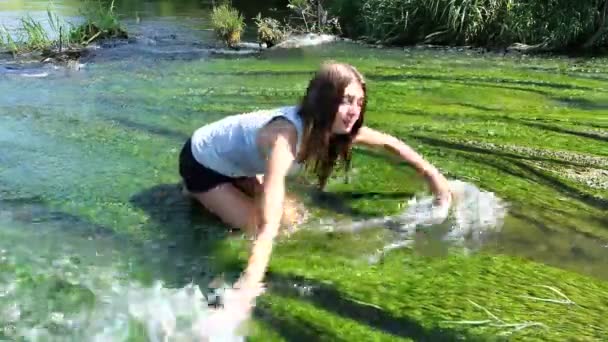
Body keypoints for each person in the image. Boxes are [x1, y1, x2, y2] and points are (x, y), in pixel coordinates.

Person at [178, 61, 452, 312]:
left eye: (359, 102)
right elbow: (268, 223)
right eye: (346, 101)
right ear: (324, 101)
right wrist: (249, 283)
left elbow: (388, 143)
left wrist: (434, 178)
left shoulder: (332, 128)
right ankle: (196, 192)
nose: (354, 111)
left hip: (240, 165)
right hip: (202, 163)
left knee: (294, 217)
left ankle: (236, 184)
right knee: (256, 225)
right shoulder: (285, 137)